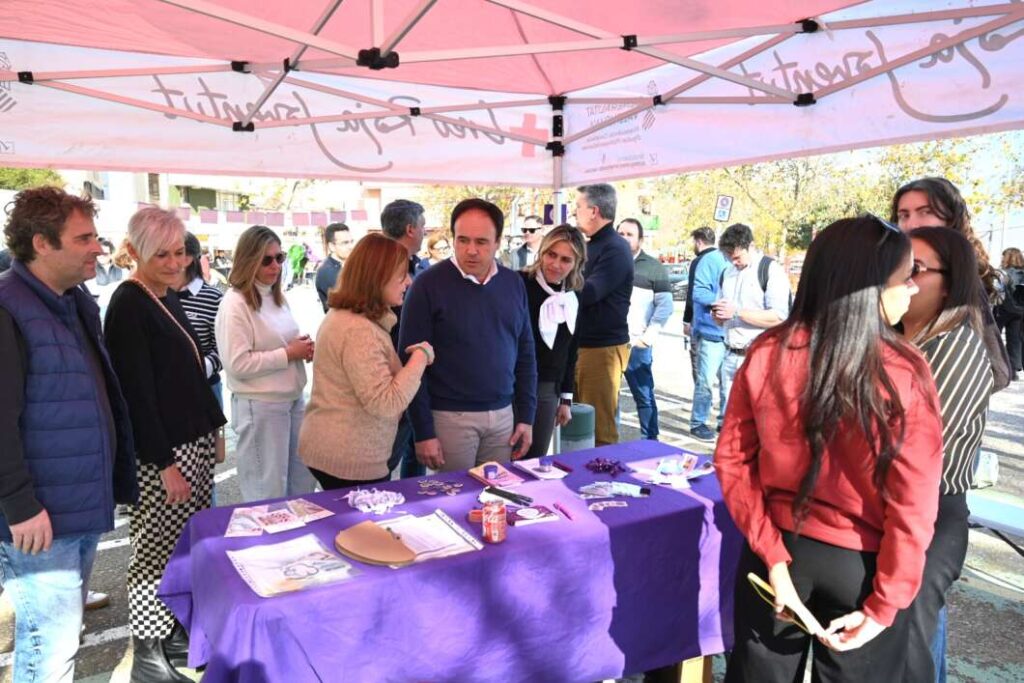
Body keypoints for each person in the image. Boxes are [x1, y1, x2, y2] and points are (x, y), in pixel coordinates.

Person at [716, 215, 944, 682]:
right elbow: (914, 504)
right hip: (859, 566)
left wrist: (772, 556)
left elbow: (734, 461)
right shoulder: (902, 369)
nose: (912, 289)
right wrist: (886, 604)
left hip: (778, 549)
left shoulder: (769, 350)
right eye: (905, 278)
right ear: (870, 286)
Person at [0, 187, 138, 683]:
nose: (98, 248)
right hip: (39, 516)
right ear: (42, 243)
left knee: (61, 639)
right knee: (49, 648)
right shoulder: (8, 307)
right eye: (84, 239)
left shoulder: (74, 301)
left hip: (75, 503)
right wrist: (19, 504)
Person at [103, 207, 225, 682]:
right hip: (163, 454)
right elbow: (137, 396)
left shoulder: (163, 294)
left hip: (188, 443)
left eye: (180, 252)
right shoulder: (129, 303)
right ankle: (147, 653)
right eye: (162, 255)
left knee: (181, 546)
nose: (176, 263)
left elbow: (188, 374)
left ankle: (173, 632)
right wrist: (164, 463)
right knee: (154, 553)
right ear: (135, 253)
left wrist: (212, 428)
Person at [898, 227, 994, 683]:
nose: (902, 279)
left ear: (950, 283)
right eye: (898, 268)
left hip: (930, 517)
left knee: (907, 648)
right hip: (885, 511)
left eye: (915, 269)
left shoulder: (956, 348)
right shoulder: (896, 338)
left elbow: (914, 453)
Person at [399, 198, 537, 471]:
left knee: (496, 495)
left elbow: (525, 353)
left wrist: (526, 417)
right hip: (449, 418)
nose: (471, 250)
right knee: (456, 496)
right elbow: (409, 364)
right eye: (462, 240)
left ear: (498, 242)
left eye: (481, 242)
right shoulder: (426, 285)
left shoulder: (513, 283)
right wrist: (423, 431)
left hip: (503, 417)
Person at [299, 234, 433, 489]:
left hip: (341, 451)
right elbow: (386, 402)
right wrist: (420, 357)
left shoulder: (351, 318)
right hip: (349, 459)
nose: (408, 281)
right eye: (401, 275)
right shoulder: (358, 329)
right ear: (378, 278)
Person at [215, 226, 317, 502]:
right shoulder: (235, 303)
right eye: (266, 260)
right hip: (261, 405)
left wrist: (301, 347)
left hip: (291, 398)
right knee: (266, 493)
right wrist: (289, 353)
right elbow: (237, 364)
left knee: (300, 487)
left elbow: (278, 343)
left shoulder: (275, 296)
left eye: (280, 257)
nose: (276, 266)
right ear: (249, 260)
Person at [892, 177, 1013, 386]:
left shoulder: (959, 278)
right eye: (904, 215)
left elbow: (998, 371)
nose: (911, 224)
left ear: (951, 220)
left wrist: (939, 392)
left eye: (925, 212)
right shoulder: (889, 270)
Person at [573, 184, 634, 446]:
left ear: (594, 211)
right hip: (582, 345)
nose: (574, 212)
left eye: (578, 206)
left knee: (599, 431)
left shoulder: (615, 248)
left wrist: (557, 286)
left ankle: (603, 472)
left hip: (601, 349)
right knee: (574, 428)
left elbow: (591, 292)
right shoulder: (592, 245)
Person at [712, 223, 791, 419]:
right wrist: (718, 316)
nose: (734, 262)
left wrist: (737, 313)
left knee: (760, 417)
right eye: (729, 258)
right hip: (730, 354)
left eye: (738, 257)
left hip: (760, 357)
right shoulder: (727, 273)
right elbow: (722, 316)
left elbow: (779, 317)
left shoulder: (770, 270)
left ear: (751, 246)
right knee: (729, 419)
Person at [520, 224, 586, 457]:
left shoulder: (575, 295)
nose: (556, 264)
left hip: (548, 387)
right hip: (511, 386)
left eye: (566, 260)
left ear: (576, 263)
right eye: (551, 254)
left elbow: (571, 350)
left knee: (534, 458)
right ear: (542, 251)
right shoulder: (520, 283)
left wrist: (566, 399)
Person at [380, 199, 428, 478]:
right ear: (410, 229)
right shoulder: (383, 265)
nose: (424, 232)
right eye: (422, 226)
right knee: (385, 458)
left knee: (415, 447)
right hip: (393, 374)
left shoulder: (415, 265)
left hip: (412, 369)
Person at [617, 218, 673, 440]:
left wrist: (646, 338)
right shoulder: (607, 262)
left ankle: (650, 441)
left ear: (640, 240)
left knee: (644, 396)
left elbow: (665, 306)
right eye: (620, 233)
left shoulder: (653, 267)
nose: (624, 238)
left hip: (636, 345)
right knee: (609, 398)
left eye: (629, 234)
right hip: (609, 343)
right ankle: (610, 443)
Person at [689, 229, 729, 441]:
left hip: (732, 335)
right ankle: (698, 422)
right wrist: (721, 303)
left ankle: (725, 421)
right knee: (705, 381)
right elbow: (698, 293)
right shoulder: (710, 260)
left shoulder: (743, 264)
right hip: (711, 332)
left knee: (728, 384)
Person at [176, 232, 224, 406]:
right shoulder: (156, 295)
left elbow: (225, 349)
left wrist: (202, 368)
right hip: (163, 390)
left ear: (187, 259)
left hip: (205, 388)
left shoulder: (214, 298)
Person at [682, 227, 717, 382]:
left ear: (699, 242)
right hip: (721, 322)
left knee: (700, 367)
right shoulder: (725, 258)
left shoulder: (699, 262)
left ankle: (701, 395)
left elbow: (692, 293)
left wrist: (686, 320)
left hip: (701, 321)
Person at [315, 222, 354, 312]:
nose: (351, 246)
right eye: (345, 243)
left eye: (352, 241)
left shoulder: (350, 264)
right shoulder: (326, 271)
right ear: (331, 246)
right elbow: (348, 302)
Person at [996, 247, 1024, 375]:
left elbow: (997, 290)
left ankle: (996, 365)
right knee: (1015, 339)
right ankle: (1013, 369)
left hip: (1002, 309)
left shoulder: (1002, 273)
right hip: (1019, 311)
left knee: (995, 336)